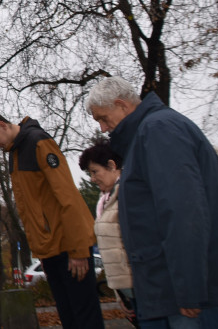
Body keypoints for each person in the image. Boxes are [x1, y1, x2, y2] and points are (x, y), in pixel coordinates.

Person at [86, 76, 218, 329]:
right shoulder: (151, 132)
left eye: (103, 118)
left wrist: (190, 287)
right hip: (179, 288)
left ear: (121, 105)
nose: (103, 128)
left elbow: (183, 212)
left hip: (194, 295)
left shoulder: (158, 131)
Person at [0, 112, 104, 329]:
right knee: (70, 318)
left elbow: (67, 197)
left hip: (70, 248)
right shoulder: (14, 153)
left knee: (86, 319)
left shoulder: (38, 141)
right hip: (51, 251)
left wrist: (79, 249)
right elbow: (29, 210)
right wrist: (41, 251)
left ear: (2, 125)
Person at [79, 140, 137, 327]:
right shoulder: (105, 200)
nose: (93, 179)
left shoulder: (129, 194)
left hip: (143, 290)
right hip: (128, 292)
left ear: (112, 166)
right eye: (90, 174)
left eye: (95, 172)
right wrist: (119, 294)